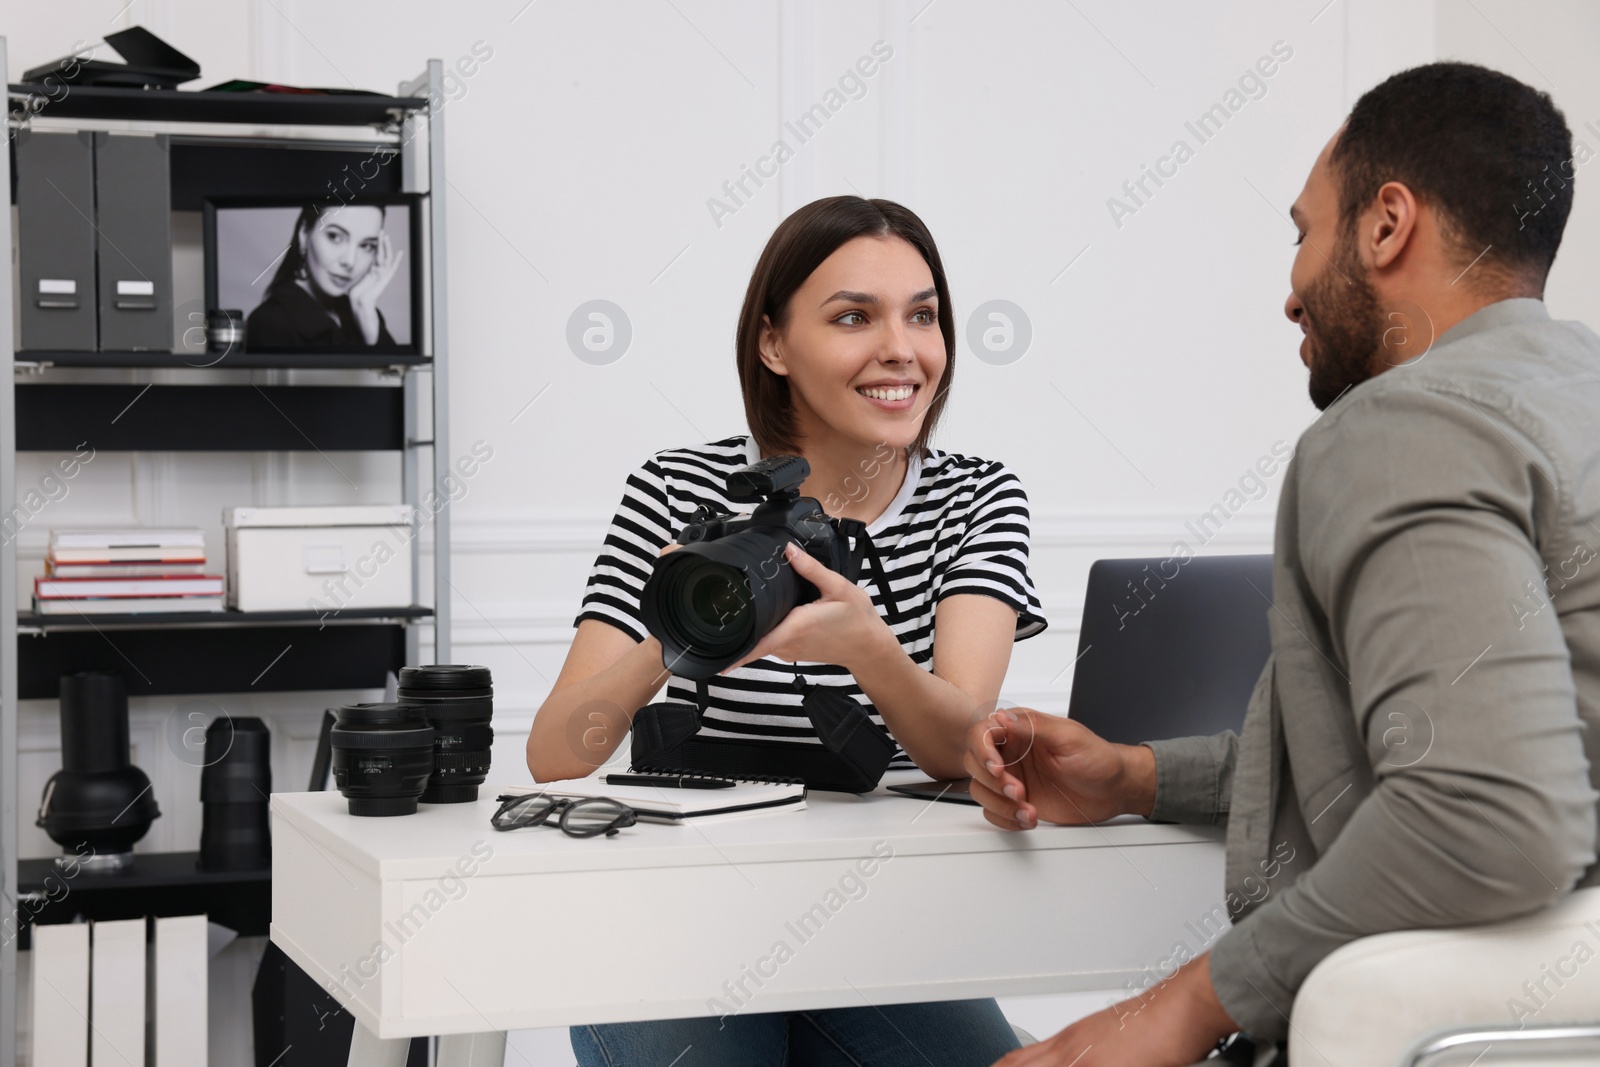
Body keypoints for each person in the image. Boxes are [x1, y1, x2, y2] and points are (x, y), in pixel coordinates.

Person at [966, 62, 1600, 1067]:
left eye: (1303, 231)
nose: (1290, 290)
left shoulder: (1403, 424)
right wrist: (1133, 775)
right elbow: (1425, 745)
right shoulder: (1571, 400)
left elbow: (1485, 814)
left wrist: (1183, 1003)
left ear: (1387, 224)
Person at [529, 195, 1047, 1066]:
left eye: (923, 315)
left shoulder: (977, 499)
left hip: (880, 928)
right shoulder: (678, 489)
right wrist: (685, 620)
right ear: (774, 343)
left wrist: (866, 647)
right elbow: (557, 753)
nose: (901, 350)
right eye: (854, 317)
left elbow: (965, 747)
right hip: (674, 919)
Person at [246, 202, 404, 350]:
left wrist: (367, 315)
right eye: (335, 237)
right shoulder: (270, 322)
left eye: (366, 246)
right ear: (304, 234)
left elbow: (397, 377)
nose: (350, 261)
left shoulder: (364, 312)